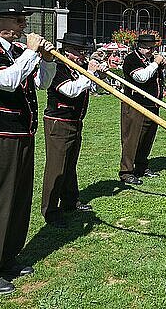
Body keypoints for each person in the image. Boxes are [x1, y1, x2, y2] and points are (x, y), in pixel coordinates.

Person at [0, 1, 57, 294]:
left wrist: (45, 59)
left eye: (23, 21)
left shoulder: (17, 52)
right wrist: (31, 52)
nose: (23, 27)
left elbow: (41, 83)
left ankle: (8, 258)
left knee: (18, 201)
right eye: (18, 21)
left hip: (22, 136)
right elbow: (5, 81)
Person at [41, 33, 107, 228]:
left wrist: (99, 75)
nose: (83, 56)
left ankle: (70, 201)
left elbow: (94, 89)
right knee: (56, 168)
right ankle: (50, 211)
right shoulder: (58, 66)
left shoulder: (79, 67)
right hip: (59, 121)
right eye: (79, 52)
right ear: (68, 50)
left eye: (84, 52)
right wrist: (91, 73)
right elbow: (70, 90)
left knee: (70, 165)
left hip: (75, 121)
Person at [120, 34, 166, 183]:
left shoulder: (150, 60)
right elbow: (141, 77)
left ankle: (141, 166)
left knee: (147, 138)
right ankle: (126, 171)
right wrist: (155, 63)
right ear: (140, 47)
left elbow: (161, 78)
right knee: (132, 139)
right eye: (149, 48)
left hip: (152, 104)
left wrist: (165, 66)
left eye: (153, 48)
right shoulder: (131, 59)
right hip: (135, 105)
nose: (152, 51)